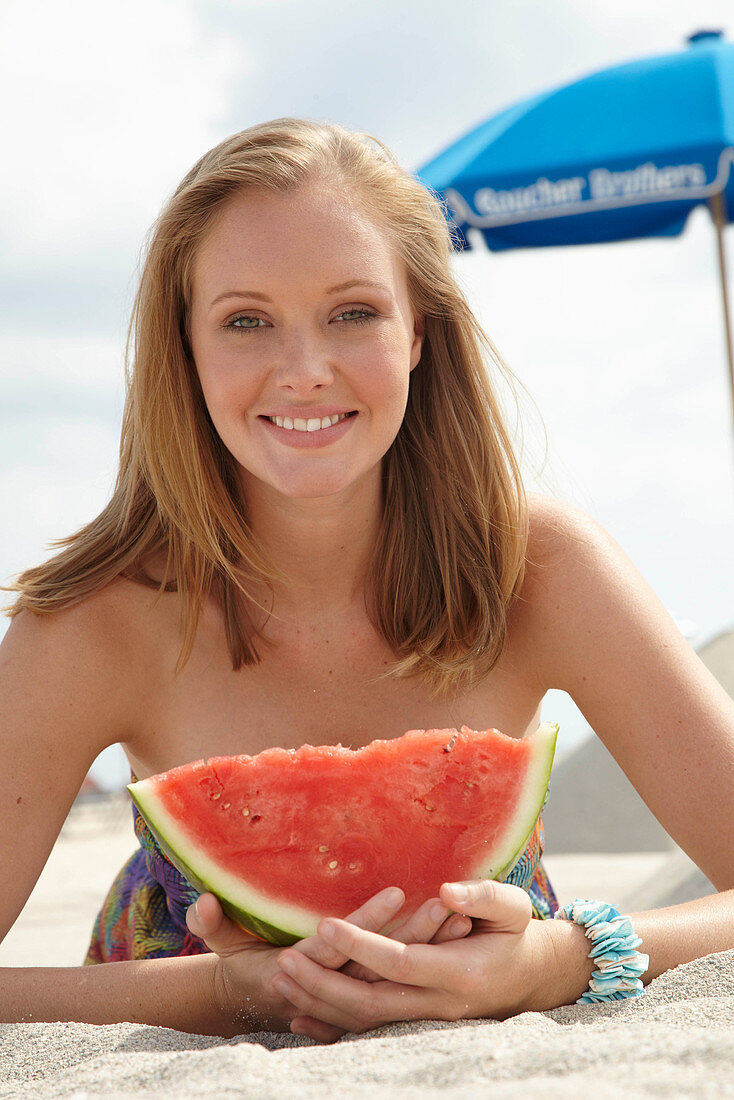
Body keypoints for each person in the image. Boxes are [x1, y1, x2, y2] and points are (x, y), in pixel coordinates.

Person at [1, 118, 732, 1045]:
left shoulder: (541, 569)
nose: (305, 371)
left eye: (353, 312)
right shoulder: (94, 625)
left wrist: (553, 960)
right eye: (245, 321)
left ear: (419, 333)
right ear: (183, 350)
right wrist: (226, 994)